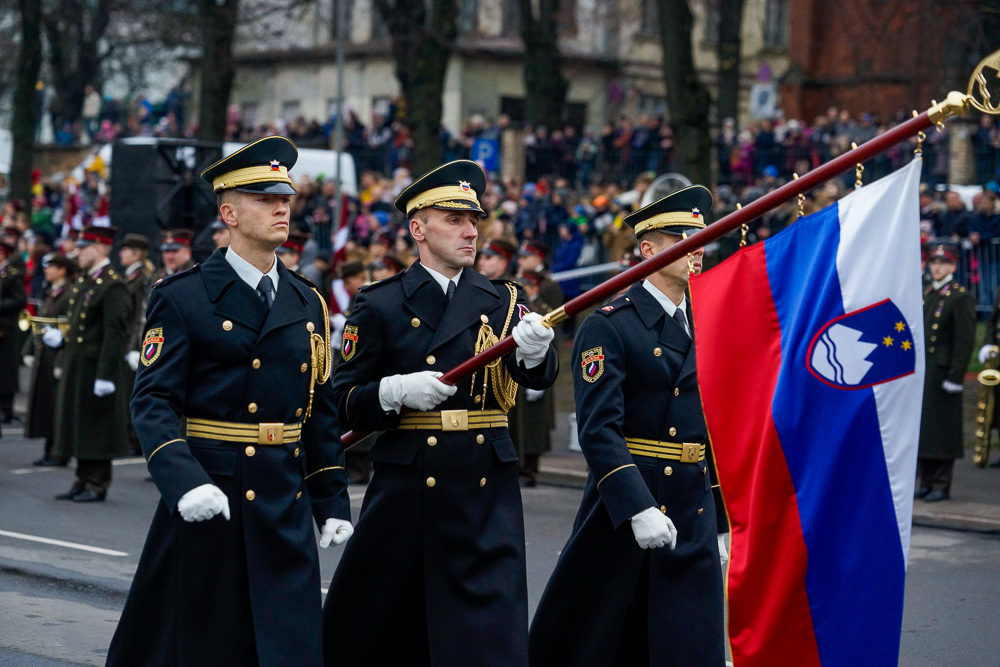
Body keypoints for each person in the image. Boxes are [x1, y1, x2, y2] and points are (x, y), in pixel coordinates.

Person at [107, 135, 352, 666]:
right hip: (210, 495)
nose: (282, 208)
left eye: (285, 199)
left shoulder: (306, 299)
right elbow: (153, 400)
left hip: (282, 500)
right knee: (202, 642)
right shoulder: (184, 296)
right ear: (229, 213)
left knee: (288, 643)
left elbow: (318, 408)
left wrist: (331, 498)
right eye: (266, 200)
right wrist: (183, 479)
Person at [322, 159, 559, 666]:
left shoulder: (502, 298)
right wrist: (392, 391)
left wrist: (537, 353)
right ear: (418, 228)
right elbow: (342, 400)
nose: (471, 231)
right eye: (453, 219)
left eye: (474, 220)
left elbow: (535, 377)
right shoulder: (380, 303)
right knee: (384, 629)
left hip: (484, 484)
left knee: (487, 635)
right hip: (411, 485)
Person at [529, 186, 729, 666]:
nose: (695, 246)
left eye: (700, 236)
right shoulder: (610, 325)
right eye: (682, 235)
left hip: (692, 508)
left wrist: (721, 517)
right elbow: (599, 430)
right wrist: (637, 507)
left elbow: (712, 427)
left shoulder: (706, 322)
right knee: (607, 642)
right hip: (629, 507)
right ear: (648, 249)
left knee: (691, 646)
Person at [48, 226, 132, 502]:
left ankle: (97, 482)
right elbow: (77, 324)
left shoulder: (112, 284)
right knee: (80, 423)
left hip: (96, 367)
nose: (78, 253)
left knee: (96, 425)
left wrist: (106, 374)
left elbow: (115, 332)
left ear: (99, 248)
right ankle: (82, 479)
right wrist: (59, 338)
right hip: (79, 364)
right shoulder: (87, 281)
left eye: (83, 248)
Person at [916, 244, 975, 501]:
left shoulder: (959, 297)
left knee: (943, 429)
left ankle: (941, 483)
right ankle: (926, 482)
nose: (936, 267)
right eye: (933, 262)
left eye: (943, 262)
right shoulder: (928, 293)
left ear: (953, 266)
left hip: (943, 372)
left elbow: (964, 341)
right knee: (926, 428)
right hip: (926, 372)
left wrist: (956, 376)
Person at [509, 267, 563, 486]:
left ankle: (529, 470)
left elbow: (554, 343)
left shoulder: (543, 311)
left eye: (529, 285)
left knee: (532, 427)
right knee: (518, 426)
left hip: (537, 372)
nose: (527, 289)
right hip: (521, 373)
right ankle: (518, 467)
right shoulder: (520, 309)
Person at [23, 253, 78, 465]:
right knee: (46, 405)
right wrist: (28, 349)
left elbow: (70, 330)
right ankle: (49, 450)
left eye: (51, 267)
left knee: (57, 406)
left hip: (56, 356)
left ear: (62, 270)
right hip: (44, 356)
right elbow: (39, 323)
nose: (46, 270)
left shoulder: (69, 294)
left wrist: (61, 361)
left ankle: (59, 452)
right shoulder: (51, 293)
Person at [119, 233, 155, 454]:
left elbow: (138, 316)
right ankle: (128, 438)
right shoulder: (130, 277)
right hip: (127, 340)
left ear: (136, 254)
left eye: (126, 250)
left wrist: (135, 346)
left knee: (134, 393)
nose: (121, 254)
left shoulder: (143, 278)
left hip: (135, 340)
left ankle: (134, 440)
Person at [0, 235, 27, 424]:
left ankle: (7, 409)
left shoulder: (11, 275)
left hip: (6, 329)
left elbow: (19, 300)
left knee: (6, 371)